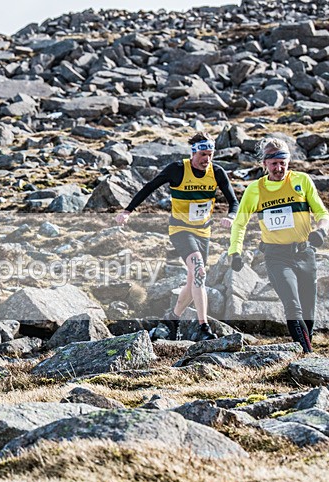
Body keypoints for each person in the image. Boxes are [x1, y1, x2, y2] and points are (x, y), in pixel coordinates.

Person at [116, 132, 239, 341]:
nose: (206, 159)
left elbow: (233, 201)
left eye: (210, 155)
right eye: (203, 154)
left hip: (203, 232)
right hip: (180, 230)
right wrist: (128, 211)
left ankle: (172, 319)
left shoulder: (217, 172)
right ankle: (203, 326)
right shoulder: (178, 170)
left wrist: (232, 217)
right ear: (193, 153)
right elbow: (149, 188)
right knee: (199, 270)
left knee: (194, 279)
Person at [229, 137, 329, 353]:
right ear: (264, 164)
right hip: (276, 257)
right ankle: (308, 354)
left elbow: (322, 212)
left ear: (288, 160)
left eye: (283, 162)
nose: (279, 168)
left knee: (308, 311)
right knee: (292, 305)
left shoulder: (301, 181)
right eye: (273, 163)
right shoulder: (255, 190)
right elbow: (240, 223)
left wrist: (321, 230)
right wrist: (235, 252)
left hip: (304, 253)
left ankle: (304, 348)